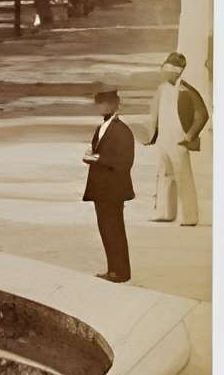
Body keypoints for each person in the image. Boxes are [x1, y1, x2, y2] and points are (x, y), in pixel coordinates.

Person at [144, 51, 208, 228]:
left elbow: (202, 114)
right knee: (165, 176)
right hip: (164, 139)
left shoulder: (187, 90)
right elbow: (155, 114)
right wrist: (152, 135)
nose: (164, 73)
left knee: (183, 177)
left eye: (167, 70)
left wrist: (189, 136)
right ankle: (165, 213)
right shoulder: (162, 89)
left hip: (179, 140)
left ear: (177, 71)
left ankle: (190, 216)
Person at [82, 84, 135, 282]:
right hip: (102, 189)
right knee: (107, 230)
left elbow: (125, 162)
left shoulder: (121, 130)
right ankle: (114, 269)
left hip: (113, 190)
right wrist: (92, 157)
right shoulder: (101, 128)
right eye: (99, 103)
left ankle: (119, 272)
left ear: (115, 105)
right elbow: (98, 153)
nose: (101, 107)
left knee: (114, 230)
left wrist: (98, 160)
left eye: (105, 103)